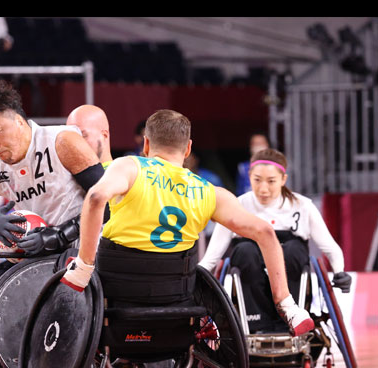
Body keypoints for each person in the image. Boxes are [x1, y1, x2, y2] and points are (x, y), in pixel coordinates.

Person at [61, 109, 314, 337]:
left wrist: (84, 267)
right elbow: (265, 233)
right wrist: (284, 301)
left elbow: (95, 198)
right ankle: (289, 307)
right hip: (175, 297)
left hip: (118, 292)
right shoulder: (211, 192)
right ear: (188, 148)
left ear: (146, 145)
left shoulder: (129, 166)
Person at [0, 79, 106, 356]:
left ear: (19, 121)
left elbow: (107, 205)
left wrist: (60, 234)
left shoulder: (62, 141)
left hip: (79, 251)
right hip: (32, 255)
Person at [199, 147, 352, 334]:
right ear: (249, 177)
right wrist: (197, 279)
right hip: (249, 255)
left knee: (293, 251)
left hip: (291, 255)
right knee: (246, 251)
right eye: (257, 180)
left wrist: (339, 271)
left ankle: (289, 318)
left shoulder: (303, 205)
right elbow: (212, 256)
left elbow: (330, 247)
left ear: (283, 179)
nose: (263, 189)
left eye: (271, 181)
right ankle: (256, 322)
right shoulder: (237, 205)